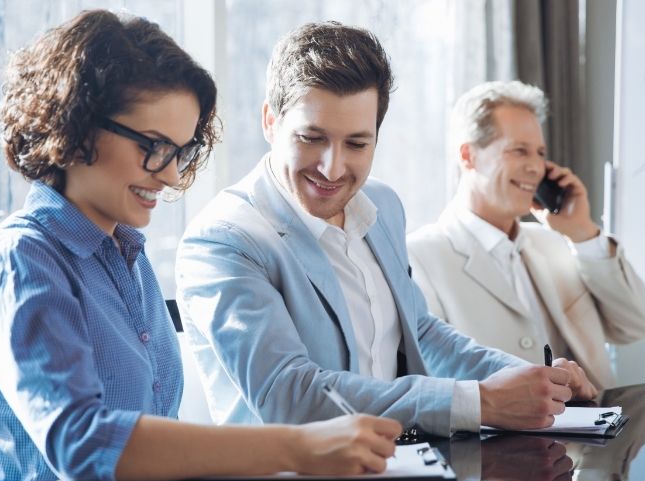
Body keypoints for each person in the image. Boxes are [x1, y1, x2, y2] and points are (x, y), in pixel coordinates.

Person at [0, 10, 402, 481]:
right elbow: (81, 442)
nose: (170, 176)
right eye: (154, 146)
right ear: (77, 123)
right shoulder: (24, 257)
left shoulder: (127, 255)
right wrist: (299, 446)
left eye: (180, 152)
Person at [175, 22, 597, 439]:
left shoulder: (382, 206)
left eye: (357, 144)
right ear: (270, 121)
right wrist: (481, 401)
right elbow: (289, 395)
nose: (332, 168)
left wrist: (529, 380)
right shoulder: (224, 239)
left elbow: (422, 331)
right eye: (311, 137)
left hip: (401, 473)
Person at [407, 81, 645, 390]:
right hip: (498, 437)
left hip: (598, 432)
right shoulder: (420, 257)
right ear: (468, 156)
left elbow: (635, 325)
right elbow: (436, 379)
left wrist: (583, 234)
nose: (536, 167)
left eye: (540, 153)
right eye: (519, 150)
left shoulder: (555, 243)